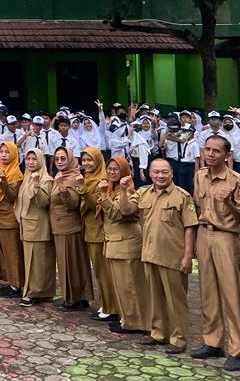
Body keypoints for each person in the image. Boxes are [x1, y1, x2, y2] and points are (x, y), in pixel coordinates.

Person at [118, 157, 197, 355]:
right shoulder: (144, 193)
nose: (160, 176)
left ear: (171, 173)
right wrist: (123, 189)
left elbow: (190, 228)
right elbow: (126, 210)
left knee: (176, 300)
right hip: (149, 254)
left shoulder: (183, 196)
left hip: (173, 257)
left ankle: (178, 339)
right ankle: (158, 333)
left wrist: (188, 256)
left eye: (164, 172)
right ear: (150, 174)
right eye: (156, 172)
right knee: (154, 297)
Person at [191, 134, 240, 371]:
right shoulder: (199, 176)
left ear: (227, 155)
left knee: (232, 294)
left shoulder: (237, 180)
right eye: (207, 149)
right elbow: (197, 207)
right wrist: (195, 240)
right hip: (204, 234)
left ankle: (237, 349)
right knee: (208, 291)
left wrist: (228, 204)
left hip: (227, 237)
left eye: (216, 151)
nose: (211, 154)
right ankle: (212, 341)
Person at [97, 156, 150, 335]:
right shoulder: (112, 188)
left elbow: (119, 214)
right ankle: (127, 319)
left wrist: (103, 196)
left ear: (125, 171)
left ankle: (136, 322)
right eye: (109, 169)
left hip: (126, 244)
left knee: (131, 286)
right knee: (123, 286)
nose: (112, 172)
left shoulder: (129, 191)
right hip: (115, 243)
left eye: (116, 169)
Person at [79, 146, 119, 323]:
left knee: (104, 271)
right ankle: (107, 303)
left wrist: (82, 189)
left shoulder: (100, 180)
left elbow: (94, 203)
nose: (86, 163)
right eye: (84, 160)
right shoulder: (88, 177)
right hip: (89, 228)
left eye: (90, 160)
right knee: (100, 271)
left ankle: (111, 307)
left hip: (98, 230)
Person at [50, 146, 92, 311]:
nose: (59, 162)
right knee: (70, 262)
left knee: (71, 263)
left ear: (70, 160)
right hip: (60, 225)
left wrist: (62, 187)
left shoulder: (74, 177)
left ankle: (74, 299)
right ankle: (77, 296)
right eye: (57, 159)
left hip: (69, 225)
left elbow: (73, 204)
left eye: (63, 158)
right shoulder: (60, 175)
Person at [14, 147, 56, 308]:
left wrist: (37, 186)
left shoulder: (46, 179)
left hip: (38, 226)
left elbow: (44, 203)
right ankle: (40, 291)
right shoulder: (27, 177)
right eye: (28, 159)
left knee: (38, 262)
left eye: (34, 159)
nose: (31, 162)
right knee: (33, 261)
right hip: (27, 224)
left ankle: (33, 292)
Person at [0, 140, 24, 298]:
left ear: (14, 154)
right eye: (1, 152)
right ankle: (11, 281)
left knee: (12, 253)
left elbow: (11, 196)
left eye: (7, 152)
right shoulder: (1, 168)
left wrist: (3, 181)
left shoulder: (15, 173)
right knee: (5, 254)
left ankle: (16, 285)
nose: (3, 154)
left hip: (8, 218)